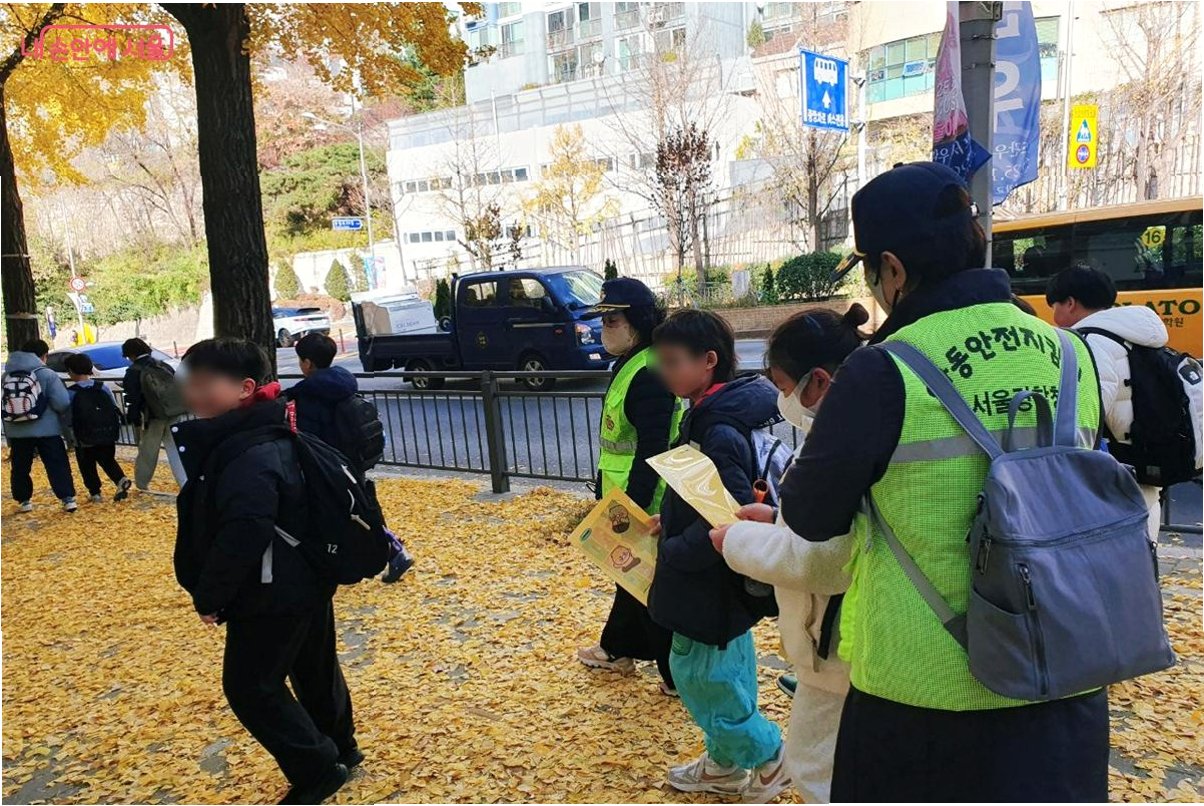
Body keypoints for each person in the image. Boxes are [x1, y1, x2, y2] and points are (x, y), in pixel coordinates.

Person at [777, 162, 1107, 801]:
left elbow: (810, 518)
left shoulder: (885, 369)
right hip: (1063, 673)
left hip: (923, 693)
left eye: (871, 270)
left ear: (893, 269)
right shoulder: (1071, 354)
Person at [173, 338, 356, 805]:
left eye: (205, 385)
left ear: (245, 388)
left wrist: (210, 595)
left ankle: (318, 770)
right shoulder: (270, 427)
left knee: (250, 686)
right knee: (313, 668)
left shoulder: (247, 450)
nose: (193, 395)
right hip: (305, 576)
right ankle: (341, 748)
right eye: (190, 384)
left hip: (271, 588)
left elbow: (245, 530)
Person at [706, 305, 868, 803]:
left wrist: (737, 543)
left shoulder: (846, 439)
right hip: (840, 639)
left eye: (782, 385)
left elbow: (825, 558)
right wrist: (777, 518)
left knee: (819, 767)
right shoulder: (853, 423)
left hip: (841, 639)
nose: (781, 399)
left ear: (817, 381)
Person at [647, 309, 789, 802]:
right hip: (717, 581)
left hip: (705, 582)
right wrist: (672, 520)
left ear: (708, 361)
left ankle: (770, 758)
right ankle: (725, 764)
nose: (663, 371)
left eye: (672, 361)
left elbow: (729, 512)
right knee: (727, 673)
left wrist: (676, 549)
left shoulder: (717, 427)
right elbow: (703, 496)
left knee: (701, 678)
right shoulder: (710, 413)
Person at [575, 277, 682, 694]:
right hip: (624, 495)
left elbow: (652, 446)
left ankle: (674, 675)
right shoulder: (632, 362)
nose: (605, 329)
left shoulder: (648, 372)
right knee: (629, 575)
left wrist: (632, 507)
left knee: (647, 584)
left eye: (612, 320)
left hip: (644, 500)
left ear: (636, 321)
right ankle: (617, 648)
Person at [1045, 264, 1167, 539]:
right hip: (1145, 469)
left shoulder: (1091, 344)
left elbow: (1086, 415)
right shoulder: (1136, 337)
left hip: (1113, 481)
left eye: (1055, 306)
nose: (1054, 315)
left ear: (1070, 303)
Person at [287, 333, 412, 583]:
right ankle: (387, 550)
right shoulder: (343, 382)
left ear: (308, 363)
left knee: (348, 515)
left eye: (301, 360)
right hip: (354, 458)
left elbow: (309, 435)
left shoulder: (308, 395)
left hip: (330, 466)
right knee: (360, 510)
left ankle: (392, 550)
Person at [3, 339, 77, 513]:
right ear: (44, 355)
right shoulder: (47, 374)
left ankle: (24, 500)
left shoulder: (6, 376)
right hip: (48, 430)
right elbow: (61, 402)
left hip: (17, 431)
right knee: (56, 464)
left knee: (20, 467)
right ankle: (67, 498)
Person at [64, 353, 133, 503]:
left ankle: (95, 492)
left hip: (83, 436)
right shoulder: (103, 387)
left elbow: (68, 416)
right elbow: (114, 407)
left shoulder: (71, 392)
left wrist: (69, 432)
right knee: (108, 460)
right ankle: (120, 479)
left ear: (72, 371)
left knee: (87, 465)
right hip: (106, 432)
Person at [121, 337, 187, 492]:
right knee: (175, 449)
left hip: (152, 416)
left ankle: (142, 484)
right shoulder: (162, 365)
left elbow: (133, 398)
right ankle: (184, 482)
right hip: (173, 411)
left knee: (148, 452)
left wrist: (134, 418)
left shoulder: (133, 371)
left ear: (130, 354)